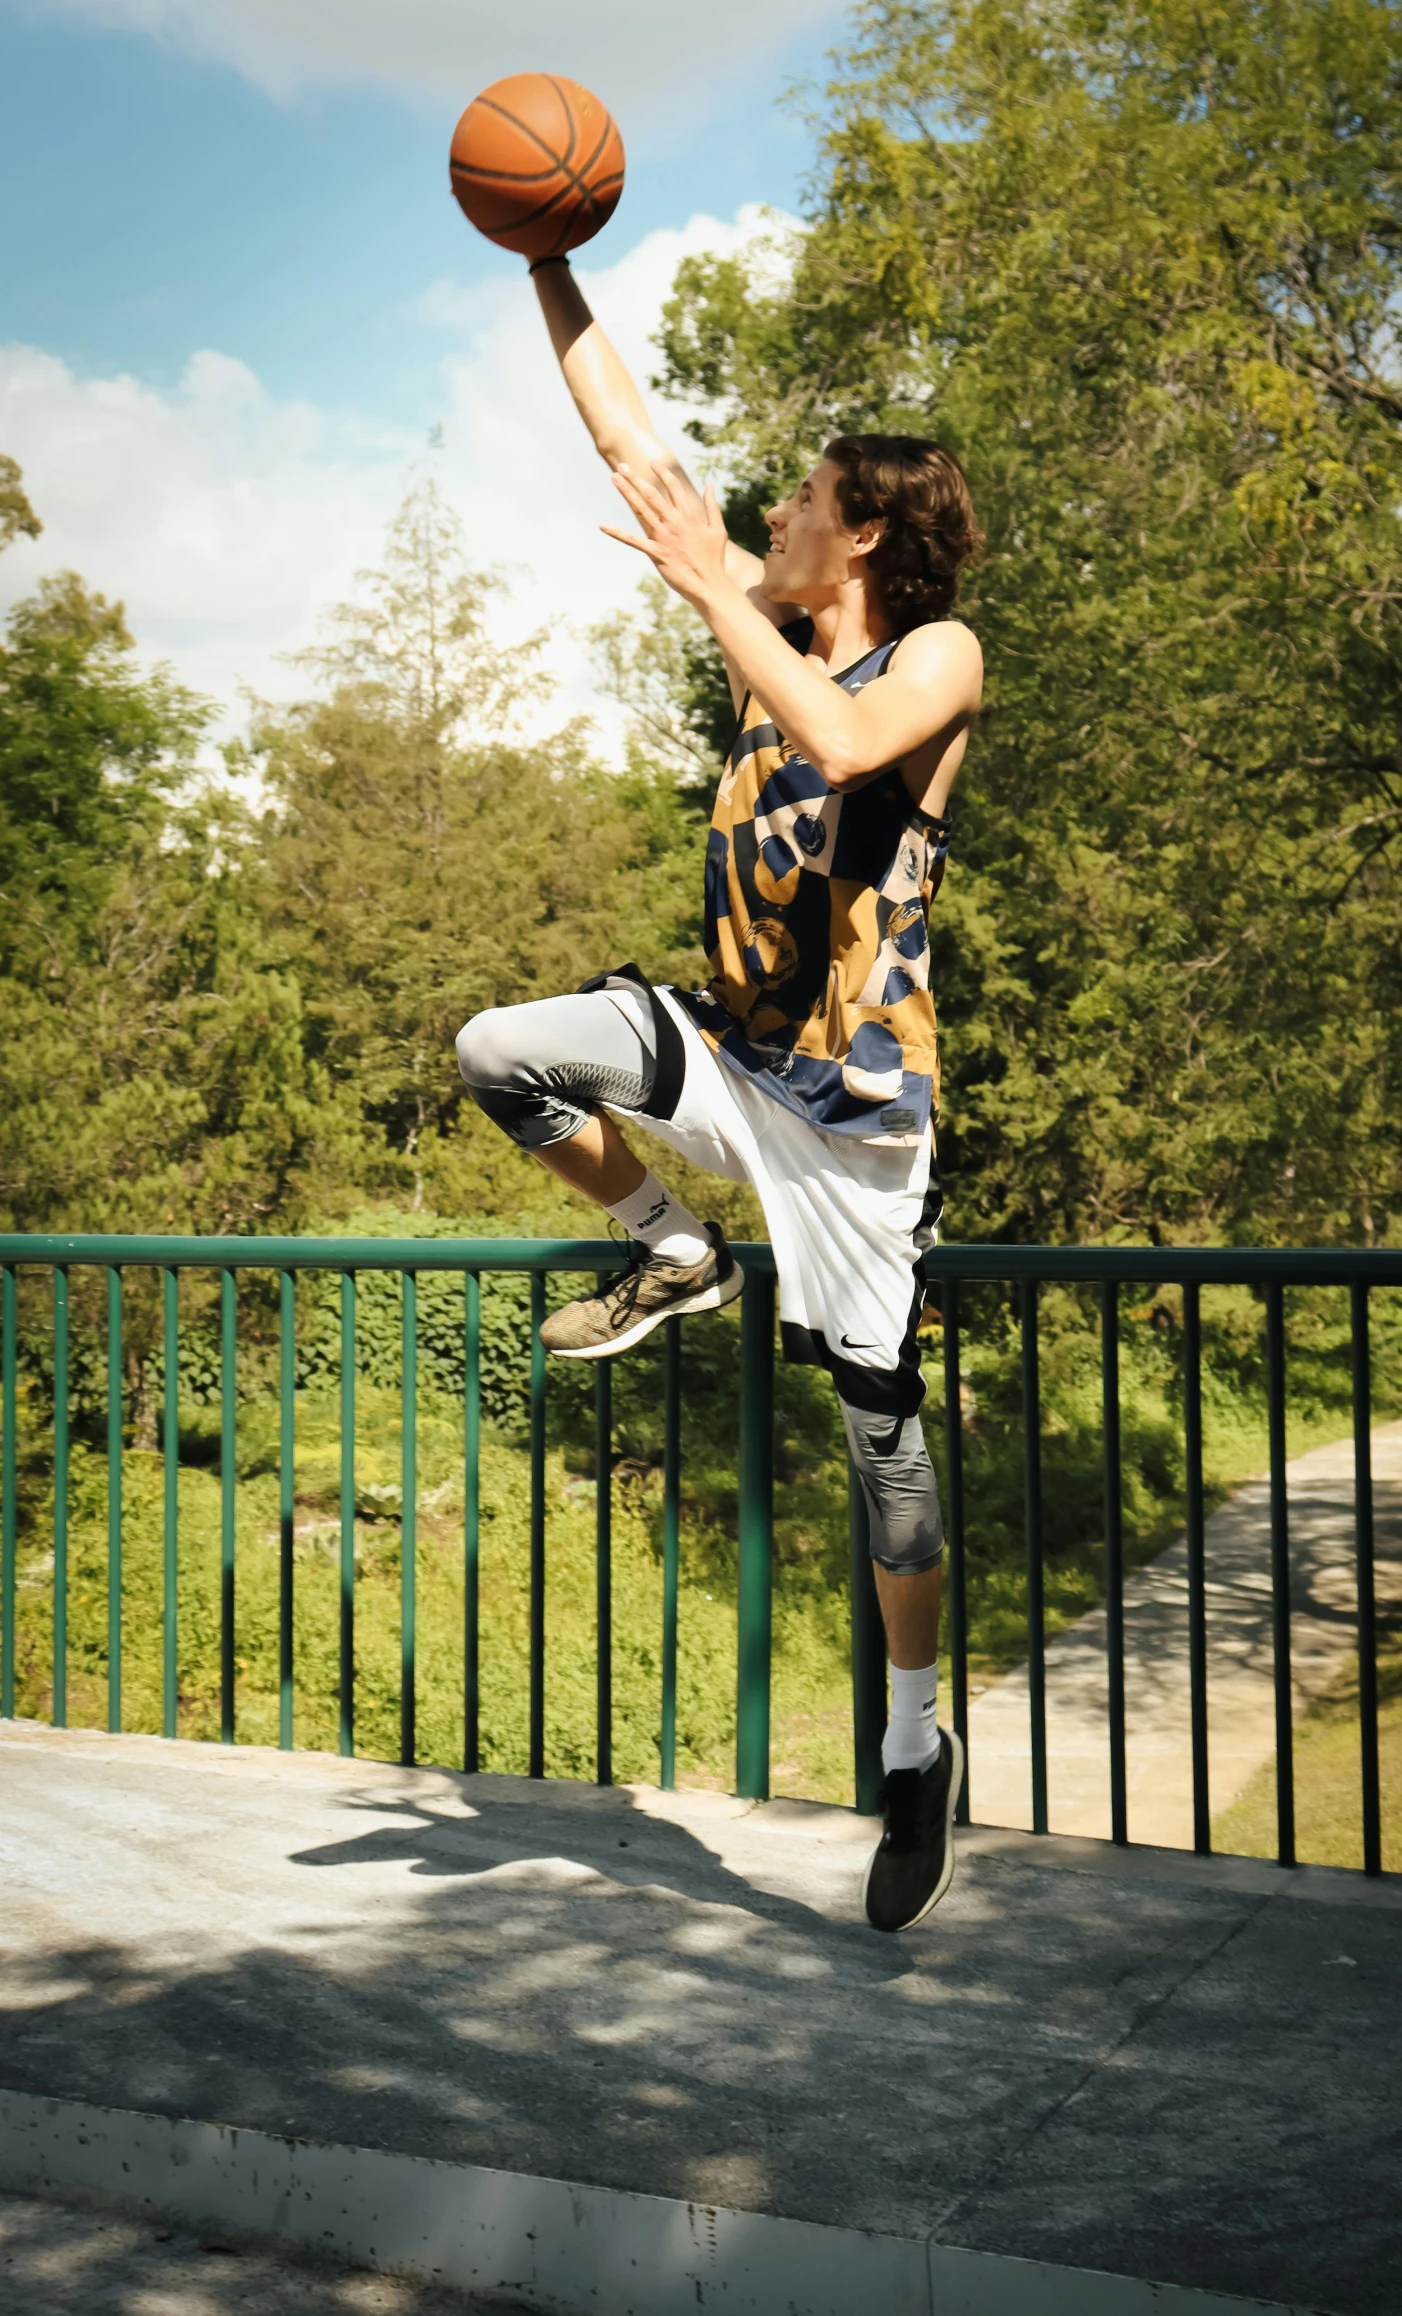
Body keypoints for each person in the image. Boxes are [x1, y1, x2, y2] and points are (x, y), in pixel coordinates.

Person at [455, 254, 983, 1932]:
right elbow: (626, 437)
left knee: (882, 1459)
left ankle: (911, 1745)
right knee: (501, 1050)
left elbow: (840, 743)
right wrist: (546, 258)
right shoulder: (768, 634)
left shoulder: (938, 655)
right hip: (732, 1052)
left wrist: (711, 593)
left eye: (803, 498)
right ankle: (672, 1248)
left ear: (865, 537)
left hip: (855, 1118)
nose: (768, 505)